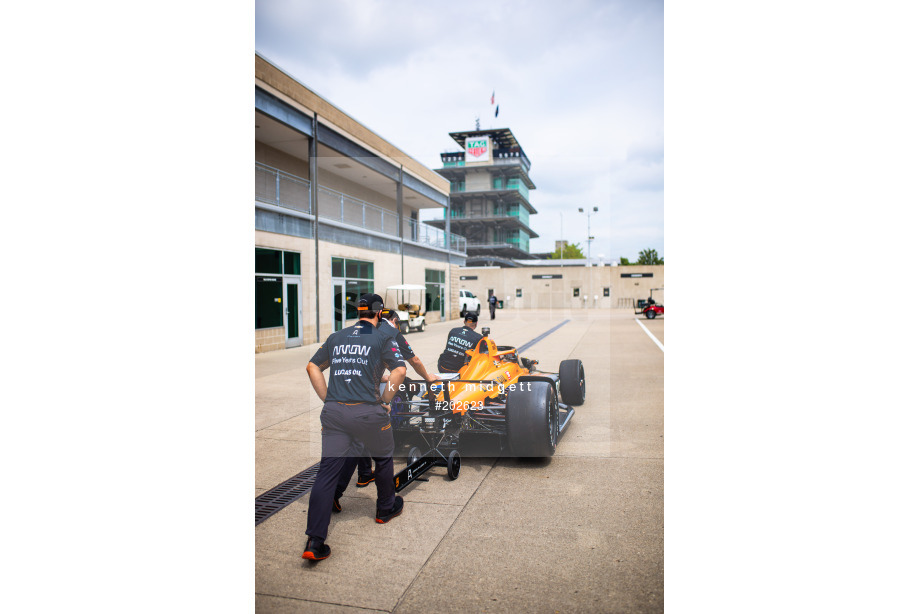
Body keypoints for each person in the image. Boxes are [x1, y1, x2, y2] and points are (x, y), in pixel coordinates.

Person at [301, 293, 407, 562]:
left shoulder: (337, 337)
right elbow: (399, 371)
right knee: (383, 459)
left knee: (326, 473)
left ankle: (315, 541)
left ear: (358, 312)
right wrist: (386, 400)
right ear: (379, 314)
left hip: (335, 414)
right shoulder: (384, 338)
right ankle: (385, 508)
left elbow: (313, 366)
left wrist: (328, 399)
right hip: (368, 413)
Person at [352, 308, 439, 488]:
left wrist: (379, 377)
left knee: (358, 432)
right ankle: (386, 497)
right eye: (398, 324)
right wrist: (428, 378)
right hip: (368, 391)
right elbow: (413, 361)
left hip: (351, 384)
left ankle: (364, 474)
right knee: (378, 430)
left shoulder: (360, 328)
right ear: (394, 321)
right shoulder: (391, 331)